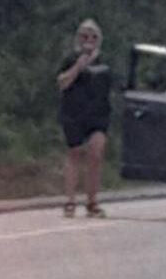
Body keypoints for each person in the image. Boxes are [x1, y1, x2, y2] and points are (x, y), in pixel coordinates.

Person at [57, 19, 112, 218]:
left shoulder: (105, 61)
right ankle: (70, 201)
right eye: (84, 36)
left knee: (96, 153)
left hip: (98, 115)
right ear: (78, 39)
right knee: (75, 154)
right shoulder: (70, 58)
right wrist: (78, 67)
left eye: (93, 37)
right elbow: (62, 83)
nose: (88, 40)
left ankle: (92, 201)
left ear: (99, 40)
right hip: (73, 114)